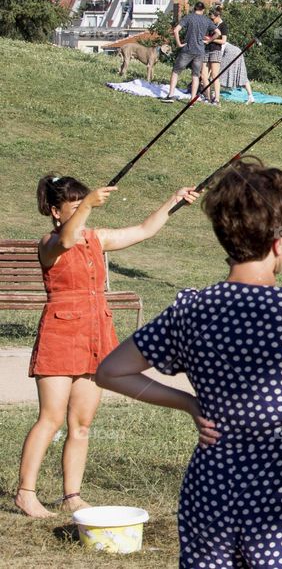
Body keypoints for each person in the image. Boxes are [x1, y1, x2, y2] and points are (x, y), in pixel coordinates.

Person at [96, 158, 282, 567]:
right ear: (279, 242)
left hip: (212, 487)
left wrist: (189, 403)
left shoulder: (190, 308)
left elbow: (111, 371)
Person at [14, 176, 198, 518]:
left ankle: (72, 495)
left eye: (84, 204)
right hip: (60, 334)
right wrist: (87, 205)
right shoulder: (49, 241)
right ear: (55, 211)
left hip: (96, 333)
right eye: (75, 205)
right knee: (51, 418)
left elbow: (143, 230)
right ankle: (26, 494)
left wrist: (174, 201)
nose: (86, 212)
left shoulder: (96, 239)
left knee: (81, 423)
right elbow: (66, 239)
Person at [162, 2, 220, 103]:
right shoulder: (206, 20)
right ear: (203, 10)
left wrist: (179, 43)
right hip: (200, 51)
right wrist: (209, 40)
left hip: (187, 49)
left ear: (194, 9)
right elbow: (218, 33)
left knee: (176, 72)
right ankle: (192, 99)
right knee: (196, 75)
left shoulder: (189, 17)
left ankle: (170, 95)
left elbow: (176, 30)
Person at [200, 6, 229, 106]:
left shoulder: (223, 25)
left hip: (215, 51)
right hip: (206, 50)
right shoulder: (211, 24)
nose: (211, 20)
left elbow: (223, 41)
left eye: (212, 18)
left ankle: (217, 99)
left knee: (214, 76)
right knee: (204, 75)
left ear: (218, 16)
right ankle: (207, 97)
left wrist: (211, 39)